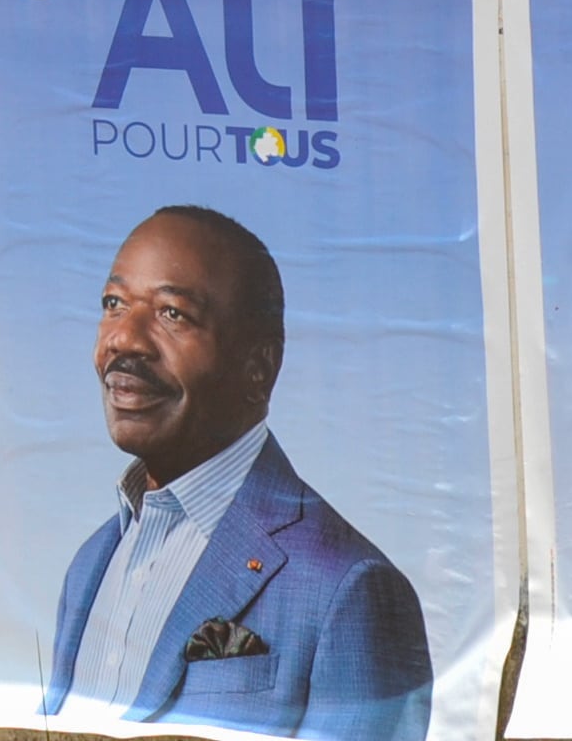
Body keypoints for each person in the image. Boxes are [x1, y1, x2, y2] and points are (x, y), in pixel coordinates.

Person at [44, 207, 426, 741]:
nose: (124, 340)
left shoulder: (347, 587)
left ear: (258, 368)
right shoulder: (91, 563)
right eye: (114, 304)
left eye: (172, 313)